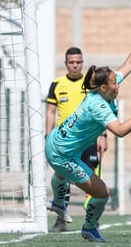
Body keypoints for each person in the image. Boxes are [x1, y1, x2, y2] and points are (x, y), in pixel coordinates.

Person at [45, 17, 131, 243]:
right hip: (62, 154)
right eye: (116, 83)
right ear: (104, 87)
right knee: (102, 193)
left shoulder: (102, 89)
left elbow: (128, 64)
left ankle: (57, 200)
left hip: (57, 143)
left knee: (62, 175)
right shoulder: (98, 105)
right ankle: (89, 227)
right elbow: (121, 130)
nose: (119, 84)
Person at [45, 46, 108, 232]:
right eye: (71, 62)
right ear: (66, 64)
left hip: (87, 139)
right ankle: (60, 219)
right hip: (63, 143)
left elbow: (101, 112)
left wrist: (103, 135)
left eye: (78, 62)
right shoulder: (57, 84)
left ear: (82, 63)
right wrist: (47, 135)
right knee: (62, 177)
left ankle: (92, 218)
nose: (75, 65)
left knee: (90, 177)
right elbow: (50, 111)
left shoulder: (90, 85)